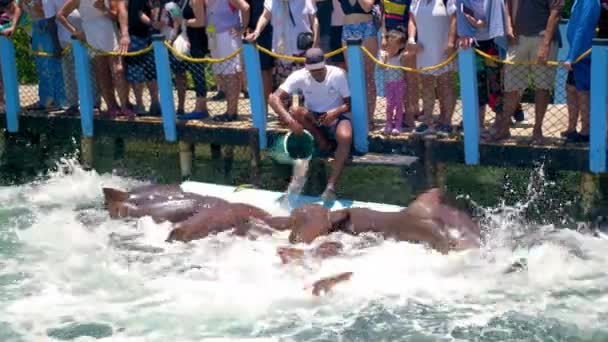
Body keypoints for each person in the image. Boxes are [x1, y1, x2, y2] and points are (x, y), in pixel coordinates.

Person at [268, 48, 352, 202]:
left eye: (320, 70)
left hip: (336, 116)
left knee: (345, 136)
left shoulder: (338, 74)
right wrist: (290, 122)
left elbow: (349, 104)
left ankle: (330, 187)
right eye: (313, 71)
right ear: (307, 69)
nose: (317, 74)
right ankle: (320, 140)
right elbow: (273, 98)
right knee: (295, 111)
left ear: (325, 65)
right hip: (313, 118)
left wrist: (334, 113)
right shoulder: (299, 76)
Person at [487, 0, 564, 144]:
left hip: (543, 39)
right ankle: (504, 129)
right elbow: (507, 4)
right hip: (517, 39)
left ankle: (537, 130)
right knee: (511, 86)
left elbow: (556, 12)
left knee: (543, 86)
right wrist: (508, 27)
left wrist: (546, 45)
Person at [409, 0, 458, 136]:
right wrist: (411, 39)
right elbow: (412, 19)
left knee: (446, 84)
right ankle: (428, 121)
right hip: (423, 49)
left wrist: (450, 42)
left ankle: (446, 122)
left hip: (442, 49)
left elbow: (455, 18)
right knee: (426, 85)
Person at [562, 0, 600, 143]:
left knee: (583, 92)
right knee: (570, 89)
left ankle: (586, 130)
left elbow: (582, 28)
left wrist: (572, 56)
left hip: (582, 54)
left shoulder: (589, 2)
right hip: (576, 52)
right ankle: (572, 128)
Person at [380, 29, 419, 134]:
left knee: (398, 105)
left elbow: (411, 53)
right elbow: (381, 67)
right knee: (389, 105)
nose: (391, 49)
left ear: (400, 46)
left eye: (394, 46)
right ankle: (388, 123)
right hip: (389, 84)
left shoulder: (401, 57)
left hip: (399, 84)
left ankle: (398, 125)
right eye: (389, 46)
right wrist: (384, 59)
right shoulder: (385, 56)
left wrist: (412, 46)